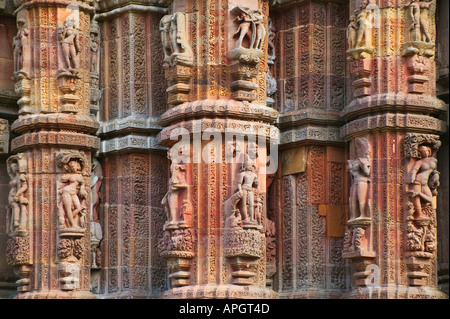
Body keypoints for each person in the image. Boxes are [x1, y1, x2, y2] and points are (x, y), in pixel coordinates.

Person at [407, 145, 438, 219]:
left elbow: (434, 171)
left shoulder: (433, 160)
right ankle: (419, 214)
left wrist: (436, 176)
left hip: (425, 183)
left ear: (429, 151)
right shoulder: (419, 162)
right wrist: (412, 180)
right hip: (418, 181)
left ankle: (419, 193)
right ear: (420, 153)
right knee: (416, 198)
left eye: (426, 150)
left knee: (430, 199)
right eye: (422, 151)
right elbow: (414, 170)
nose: (425, 152)